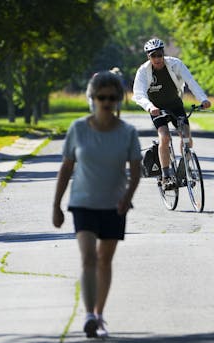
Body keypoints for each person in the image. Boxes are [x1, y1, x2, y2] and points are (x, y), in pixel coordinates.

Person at [52, 71, 142, 338]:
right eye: (101, 97)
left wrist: (128, 197)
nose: (106, 102)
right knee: (89, 257)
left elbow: (136, 171)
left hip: (115, 206)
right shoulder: (78, 129)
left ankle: (100, 314)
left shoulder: (127, 133)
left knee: (105, 260)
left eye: (112, 98)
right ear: (91, 98)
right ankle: (89, 314)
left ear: (119, 101)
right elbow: (66, 168)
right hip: (83, 203)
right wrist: (56, 205)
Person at [132, 37, 211, 189]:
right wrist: (149, 107)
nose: (157, 58)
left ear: (163, 53)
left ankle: (185, 169)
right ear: (149, 57)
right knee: (165, 137)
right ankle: (166, 175)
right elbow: (138, 94)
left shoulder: (175, 64)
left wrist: (203, 99)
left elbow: (191, 82)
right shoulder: (143, 71)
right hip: (156, 108)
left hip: (175, 105)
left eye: (160, 54)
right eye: (153, 56)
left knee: (186, 135)